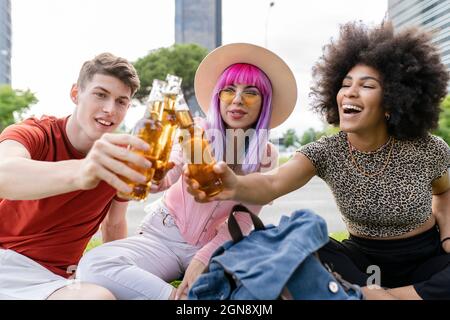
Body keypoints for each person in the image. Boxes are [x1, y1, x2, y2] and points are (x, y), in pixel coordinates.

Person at [185, 22, 450, 300]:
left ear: (392, 102)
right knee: (292, 245)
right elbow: (273, 181)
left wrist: (446, 236)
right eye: (345, 84)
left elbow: (444, 192)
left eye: (367, 85)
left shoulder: (427, 149)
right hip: (360, 262)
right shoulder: (326, 151)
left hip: (425, 260)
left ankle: (364, 295)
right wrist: (235, 185)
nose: (350, 92)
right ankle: (369, 292)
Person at [76, 43, 298, 300]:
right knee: (94, 265)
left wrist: (202, 259)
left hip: (217, 247)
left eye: (250, 92)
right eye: (229, 90)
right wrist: (148, 172)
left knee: (270, 288)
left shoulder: (267, 155)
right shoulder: (197, 131)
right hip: (163, 238)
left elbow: (243, 220)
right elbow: (166, 179)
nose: (237, 99)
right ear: (218, 97)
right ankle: (178, 300)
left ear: (264, 102)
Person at [0, 53, 152, 299]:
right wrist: (83, 170)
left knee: (100, 297)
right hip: (4, 256)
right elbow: (3, 174)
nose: (109, 109)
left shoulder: (122, 157)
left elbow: (113, 224)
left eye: (121, 101)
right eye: (100, 94)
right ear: (75, 94)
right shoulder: (36, 132)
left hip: (52, 279)